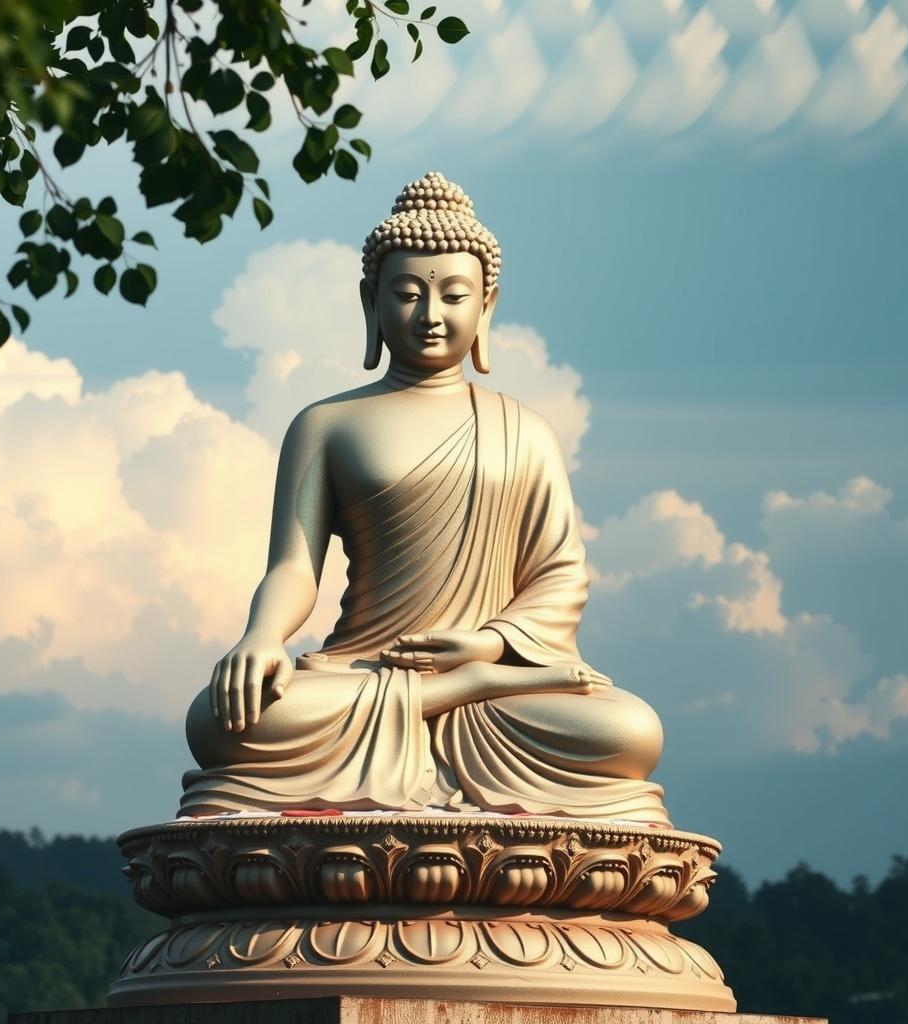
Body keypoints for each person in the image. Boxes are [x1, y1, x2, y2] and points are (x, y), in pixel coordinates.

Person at [180, 172, 669, 825]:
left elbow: (560, 572)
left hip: (496, 689)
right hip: (366, 672)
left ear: (487, 306)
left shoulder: (524, 431)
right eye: (407, 293)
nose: (430, 314)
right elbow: (294, 566)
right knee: (223, 718)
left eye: (453, 295)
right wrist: (262, 637)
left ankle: (462, 696)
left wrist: (490, 647)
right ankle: (452, 699)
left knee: (631, 731)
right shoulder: (326, 424)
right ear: (371, 301)